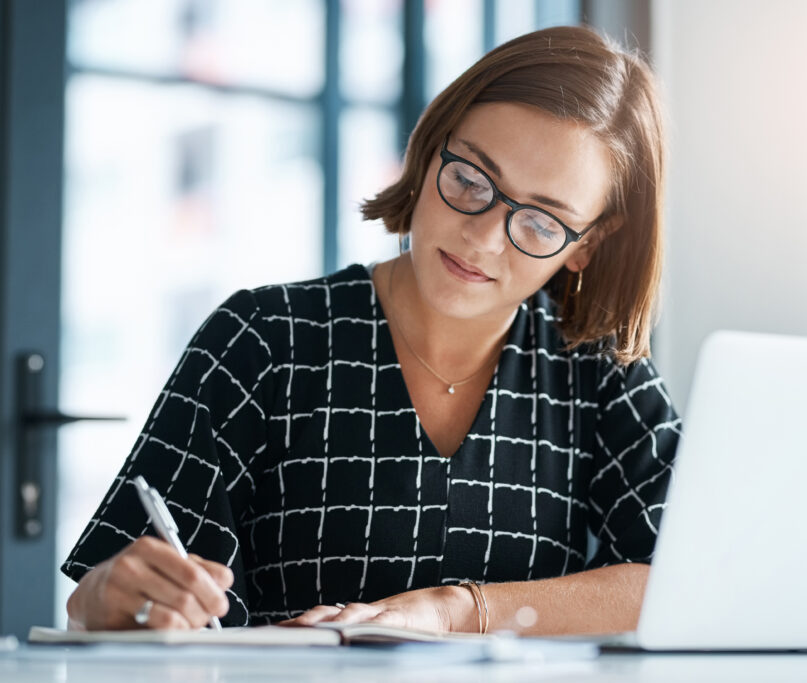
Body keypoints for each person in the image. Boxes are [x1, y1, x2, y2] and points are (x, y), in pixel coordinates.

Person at [62, 25, 681, 635]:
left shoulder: (597, 370)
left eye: (543, 223)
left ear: (588, 244)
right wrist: (107, 602)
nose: (484, 237)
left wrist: (456, 611)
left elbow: (685, 577)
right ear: (430, 145)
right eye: (469, 180)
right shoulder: (263, 341)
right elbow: (112, 599)